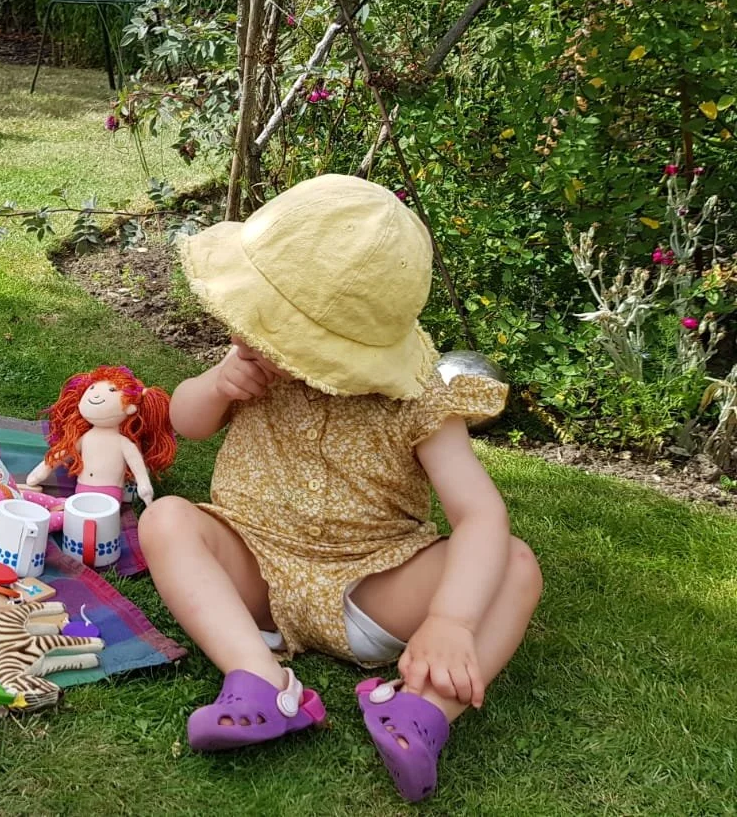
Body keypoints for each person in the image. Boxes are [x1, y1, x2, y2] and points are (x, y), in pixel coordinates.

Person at [141, 174, 542, 802]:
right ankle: (259, 678)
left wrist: (451, 620)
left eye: (266, 326)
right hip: (255, 572)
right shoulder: (252, 364)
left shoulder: (417, 399)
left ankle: (423, 711)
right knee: (166, 518)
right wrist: (218, 383)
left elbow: (480, 516)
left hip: (371, 586)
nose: (246, 337)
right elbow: (187, 424)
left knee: (515, 566)